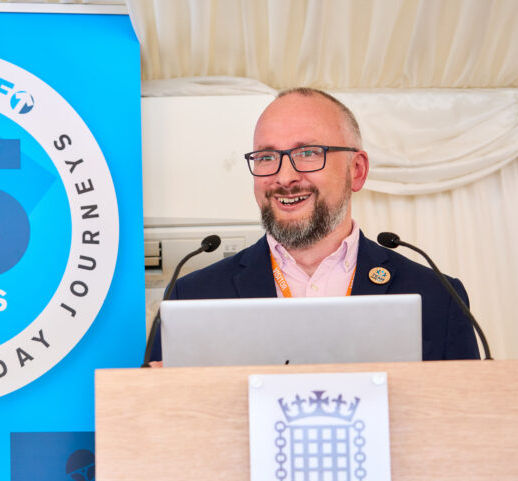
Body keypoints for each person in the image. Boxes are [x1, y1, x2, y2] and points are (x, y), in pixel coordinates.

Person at [149, 87, 479, 365]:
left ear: (357, 171)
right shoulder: (191, 298)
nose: (284, 176)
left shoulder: (439, 297)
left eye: (307, 153)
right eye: (266, 157)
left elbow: (466, 428)